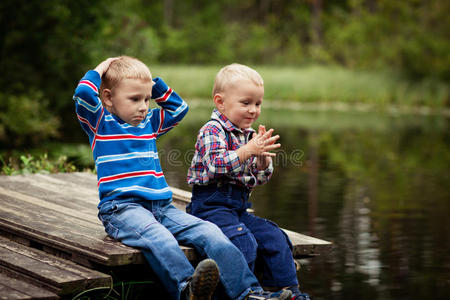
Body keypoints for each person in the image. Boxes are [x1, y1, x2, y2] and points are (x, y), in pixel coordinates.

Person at [73, 56, 292, 300]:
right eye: (135, 99)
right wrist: (103, 67)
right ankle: (187, 289)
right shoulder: (100, 123)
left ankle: (248, 293)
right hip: (122, 209)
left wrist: (150, 83)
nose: (144, 106)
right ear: (108, 98)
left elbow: (178, 108)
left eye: (146, 99)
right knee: (160, 238)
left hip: (162, 207)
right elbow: (83, 93)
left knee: (211, 233)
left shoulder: (148, 124)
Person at [187, 63, 311, 300]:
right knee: (243, 241)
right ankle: (243, 293)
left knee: (274, 237)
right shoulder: (212, 131)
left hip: (237, 208)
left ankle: (287, 292)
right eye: (246, 103)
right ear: (221, 102)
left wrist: (262, 164)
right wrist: (247, 151)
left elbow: (258, 178)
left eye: (258, 104)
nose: (253, 110)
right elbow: (216, 165)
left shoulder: (250, 135)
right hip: (209, 209)